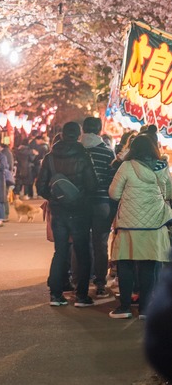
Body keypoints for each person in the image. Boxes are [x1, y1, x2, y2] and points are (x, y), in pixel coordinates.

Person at [107, 134, 172, 320]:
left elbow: (113, 193)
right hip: (155, 224)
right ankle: (144, 308)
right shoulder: (162, 167)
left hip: (129, 224)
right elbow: (169, 192)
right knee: (148, 265)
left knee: (125, 263)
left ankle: (125, 307)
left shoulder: (127, 166)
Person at [36, 121, 98, 308]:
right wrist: (80, 198)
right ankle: (81, 296)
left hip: (58, 211)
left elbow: (40, 186)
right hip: (79, 211)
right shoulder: (83, 155)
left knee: (60, 252)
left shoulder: (50, 157)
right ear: (78, 135)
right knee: (82, 253)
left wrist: (56, 198)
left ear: (62, 134)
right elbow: (92, 184)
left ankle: (56, 295)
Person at [81, 116, 115, 298]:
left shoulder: (76, 149)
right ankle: (100, 283)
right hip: (102, 202)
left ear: (83, 129)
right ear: (99, 130)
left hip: (80, 203)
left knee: (81, 242)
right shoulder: (107, 151)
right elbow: (113, 179)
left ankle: (81, 282)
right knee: (100, 243)